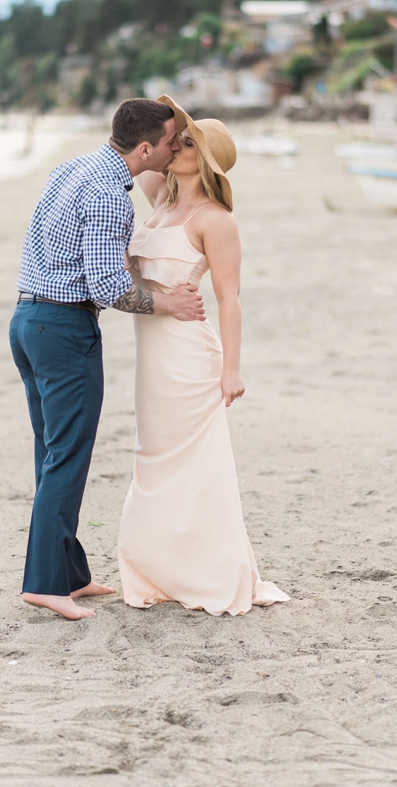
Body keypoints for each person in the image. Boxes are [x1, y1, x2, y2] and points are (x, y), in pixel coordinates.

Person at [9, 98, 205, 621]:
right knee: (68, 456)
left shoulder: (71, 168)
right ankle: (44, 584)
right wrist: (170, 303)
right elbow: (109, 286)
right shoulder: (109, 197)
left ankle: (68, 574)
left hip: (27, 321)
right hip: (64, 330)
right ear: (145, 147)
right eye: (167, 142)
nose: (172, 150)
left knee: (53, 453)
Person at [116, 97, 289, 615]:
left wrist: (232, 369)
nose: (175, 145)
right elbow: (142, 143)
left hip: (192, 357)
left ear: (205, 162)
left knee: (197, 465)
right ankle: (158, 566)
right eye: (177, 138)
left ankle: (209, 570)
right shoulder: (160, 200)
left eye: (187, 143)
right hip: (153, 357)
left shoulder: (215, 220)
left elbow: (229, 299)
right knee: (154, 459)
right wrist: (166, 116)